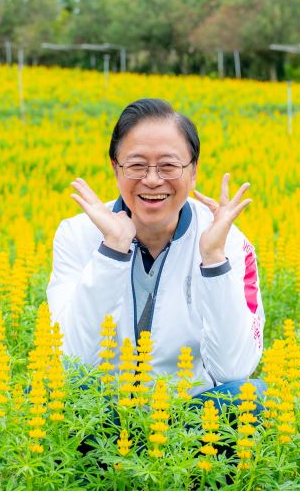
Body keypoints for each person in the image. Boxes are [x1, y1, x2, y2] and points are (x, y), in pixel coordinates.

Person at [47, 98, 265, 404]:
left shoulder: (229, 242)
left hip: (192, 418)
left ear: (193, 171)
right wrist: (112, 252)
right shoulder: (76, 234)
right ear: (115, 168)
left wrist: (214, 260)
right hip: (103, 416)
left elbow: (234, 369)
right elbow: (71, 364)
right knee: (45, 394)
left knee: (253, 398)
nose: (151, 180)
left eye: (168, 166)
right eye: (136, 165)